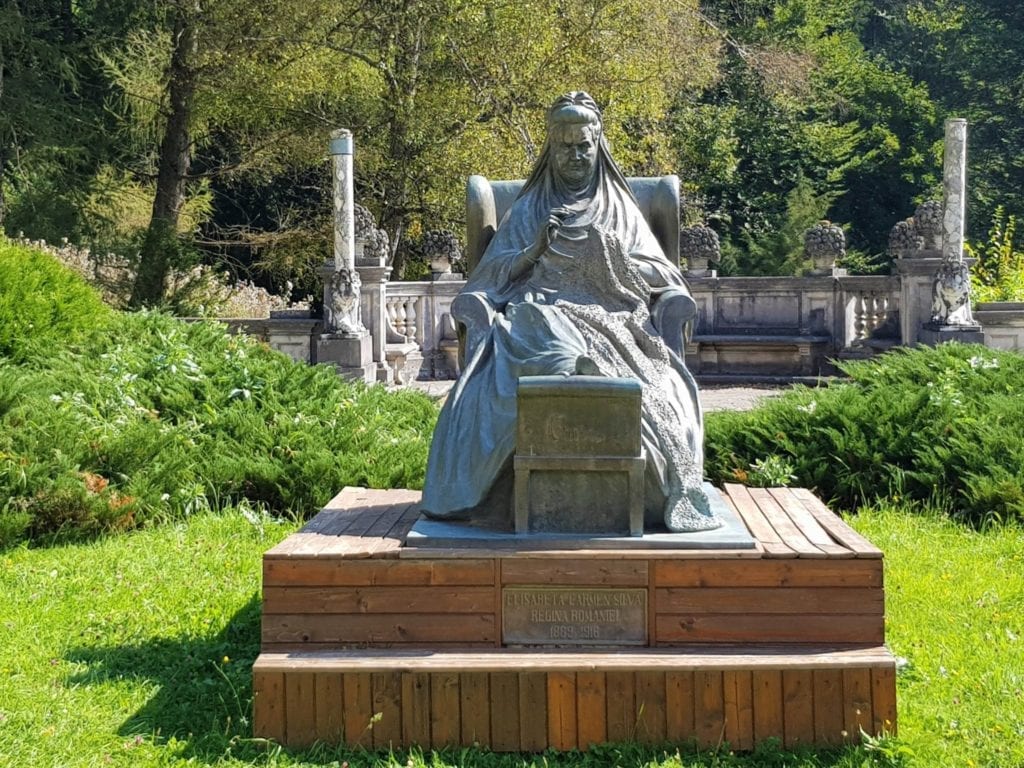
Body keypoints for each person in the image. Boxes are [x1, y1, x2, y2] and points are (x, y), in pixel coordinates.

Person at [422, 91, 719, 533]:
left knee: (656, 383)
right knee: (544, 337)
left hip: (611, 313)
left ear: (598, 145)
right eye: (566, 147)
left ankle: (595, 394)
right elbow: (491, 278)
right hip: (538, 309)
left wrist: (609, 250)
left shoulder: (621, 209)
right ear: (551, 148)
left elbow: (662, 275)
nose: (577, 155)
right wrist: (535, 248)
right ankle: (571, 375)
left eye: (585, 145)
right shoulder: (528, 209)